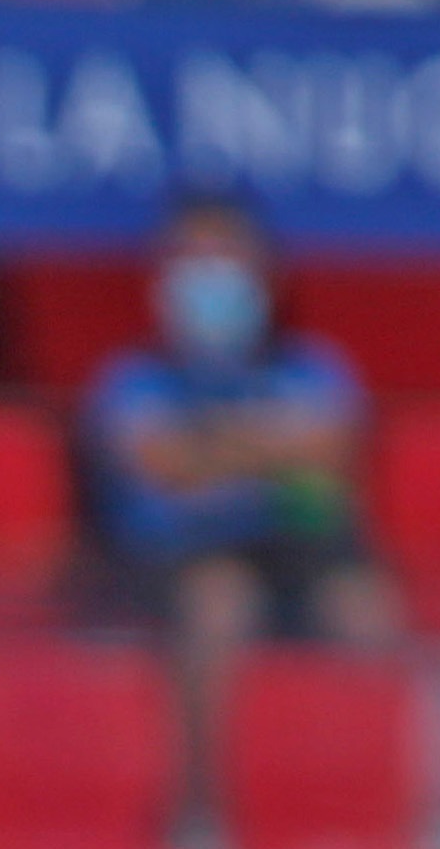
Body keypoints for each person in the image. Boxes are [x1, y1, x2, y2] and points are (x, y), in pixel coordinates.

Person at [82, 198, 393, 734]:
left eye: (226, 256)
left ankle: (371, 777)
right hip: (171, 554)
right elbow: (163, 463)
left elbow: (331, 450)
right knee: (222, 601)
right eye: (192, 258)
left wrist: (209, 446)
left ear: (265, 274)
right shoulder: (130, 377)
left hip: (297, 543)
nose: (210, 274)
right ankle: (207, 794)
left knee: (365, 607)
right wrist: (273, 443)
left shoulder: (314, 365)